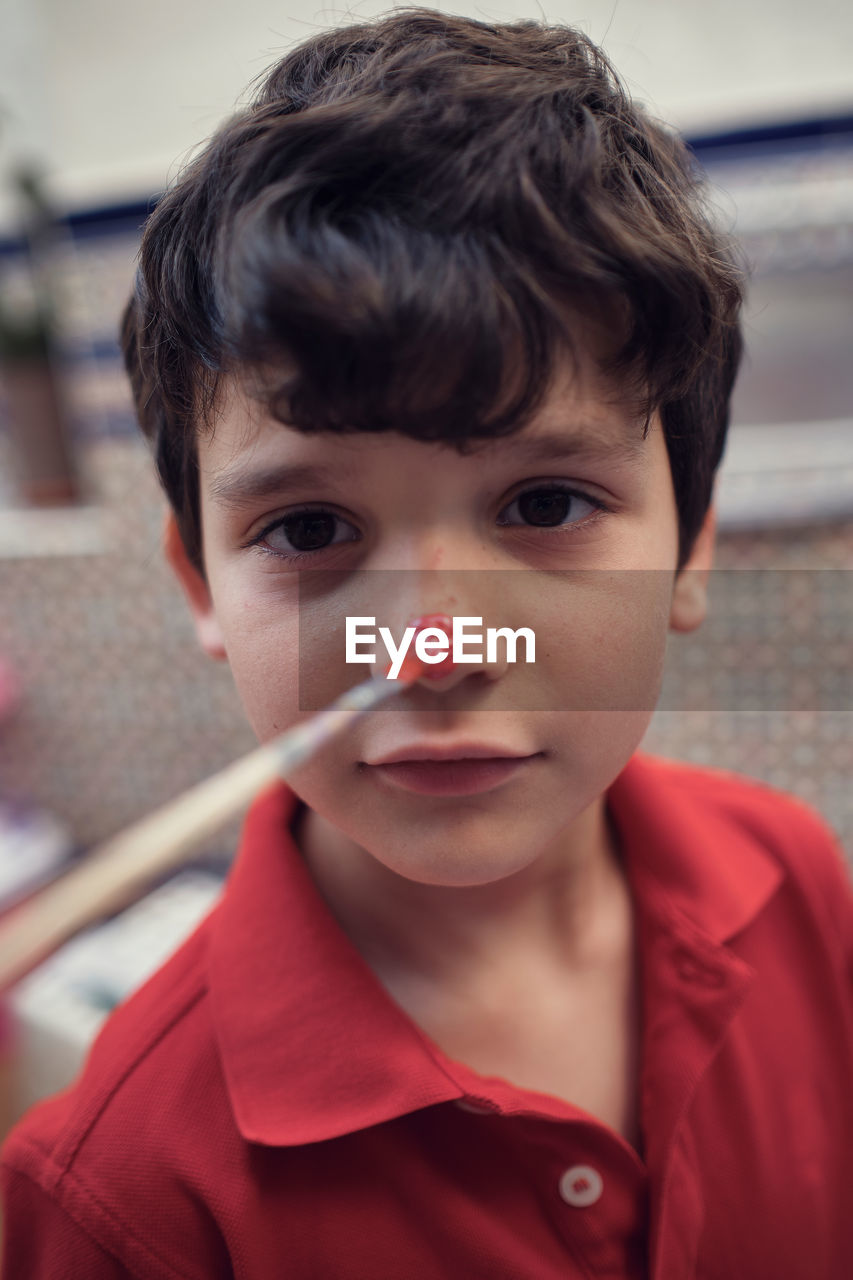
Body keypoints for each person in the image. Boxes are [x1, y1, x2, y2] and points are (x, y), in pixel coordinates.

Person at [2, 9, 852, 1277]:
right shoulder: (113, 1194)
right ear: (200, 589)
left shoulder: (794, 880)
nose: (438, 648)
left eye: (545, 504)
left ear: (688, 550)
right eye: (309, 525)